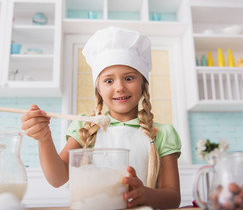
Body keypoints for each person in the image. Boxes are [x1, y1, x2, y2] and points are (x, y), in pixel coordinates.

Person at [21, 26, 182, 209]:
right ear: (98, 88)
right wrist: (44, 139)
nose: (120, 87)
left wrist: (146, 194)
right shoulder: (86, 127)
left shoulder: (162, 133)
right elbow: (57, 178)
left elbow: (173, 197)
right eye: (109, 80)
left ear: (143, 83)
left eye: (129, 78)